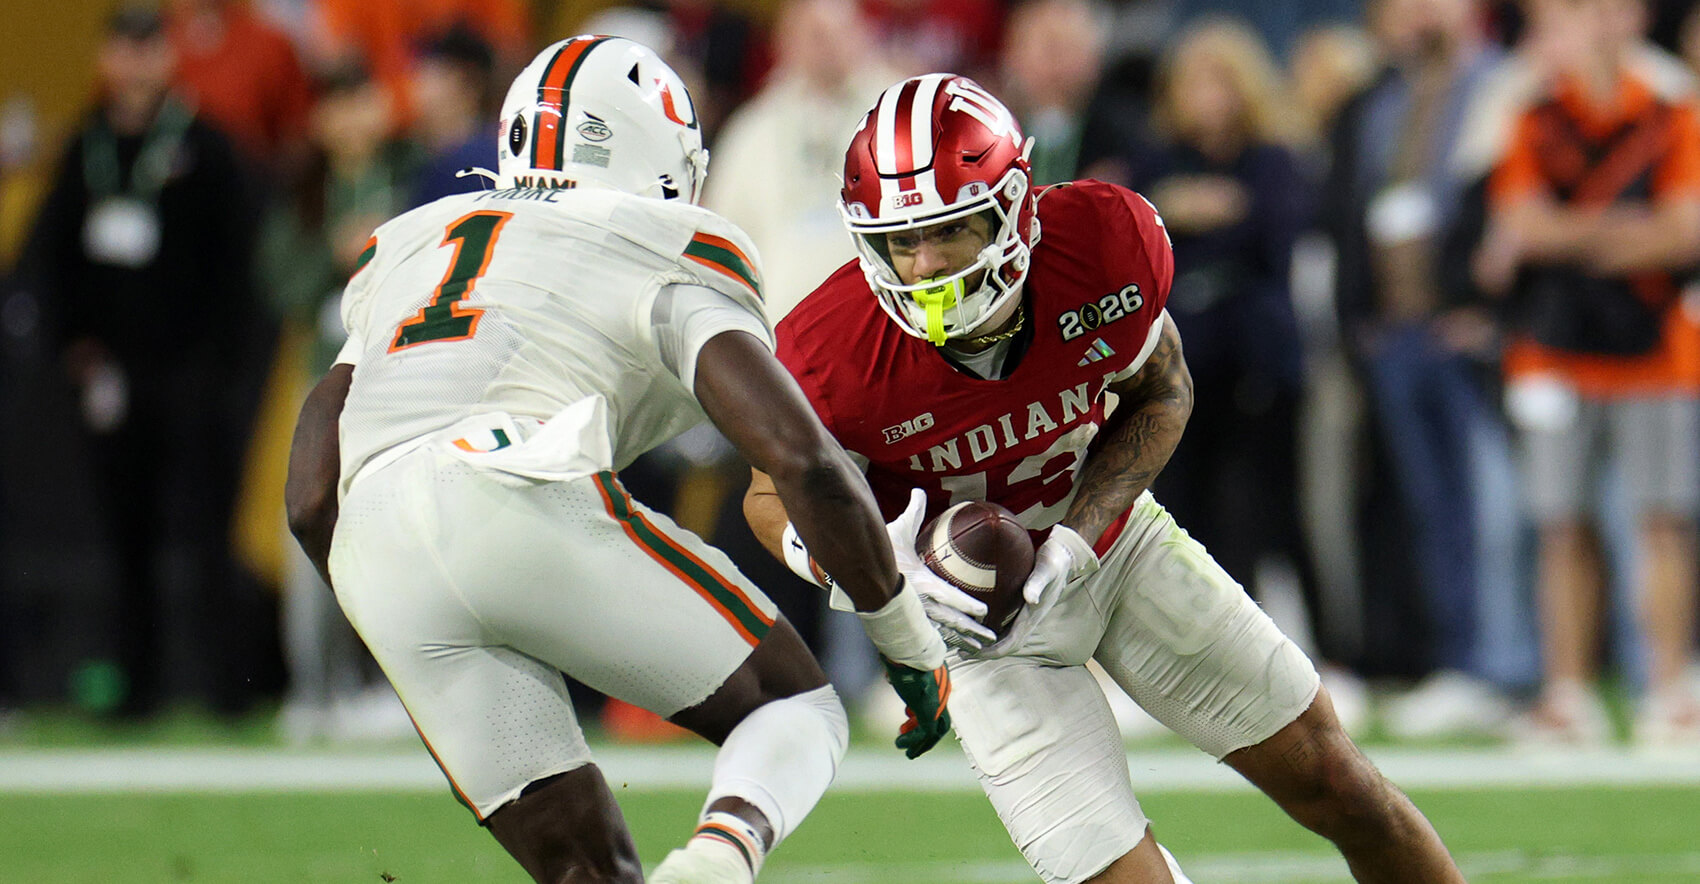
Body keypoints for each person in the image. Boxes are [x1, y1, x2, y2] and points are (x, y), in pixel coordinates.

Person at [745, 73, 1466, 884]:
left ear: (1014, 206)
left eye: (949, 232)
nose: (923, 266)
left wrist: (1078, 539)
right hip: (978, 633)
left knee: (1338, 782)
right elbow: (767, 492)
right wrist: (880, 566)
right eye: (898, 242)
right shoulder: (827, 352)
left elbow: (1163, 389)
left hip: (1120, 553)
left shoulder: (1099, 244)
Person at [283, 36, 954, 884]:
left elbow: (310, 490)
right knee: (793, 709)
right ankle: (714, 867)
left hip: (370, 536)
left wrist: (396, 596)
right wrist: (903, 636)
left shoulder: (412, 244)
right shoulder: (662, 237)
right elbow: (801, 457)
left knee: (586, 875)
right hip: (508, 488)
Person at [16, 6, 263, 718]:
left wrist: (218, 367)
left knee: (207, 533)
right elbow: (56, 260)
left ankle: (228, 690)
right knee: (124, 536)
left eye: (147, 48)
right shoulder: (84, 146)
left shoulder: (207, 147)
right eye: (122, 50)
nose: (134, 65)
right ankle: (137, 688)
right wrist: (78, 350)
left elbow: (233, 266)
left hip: (190, 376)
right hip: (112, 377)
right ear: (105, 59)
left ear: (167, 58)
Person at [1473, 0, 1700, 746]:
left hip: (1656, 350)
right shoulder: (1535, 111)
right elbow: (1520, 224)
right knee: (1560, 524)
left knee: (1660, 521)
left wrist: (1572, 236)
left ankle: (1665, 688)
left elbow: (1684, 230)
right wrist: (1624, 233)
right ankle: (1568, 692)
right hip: (1556, 348)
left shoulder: (1670, 108)